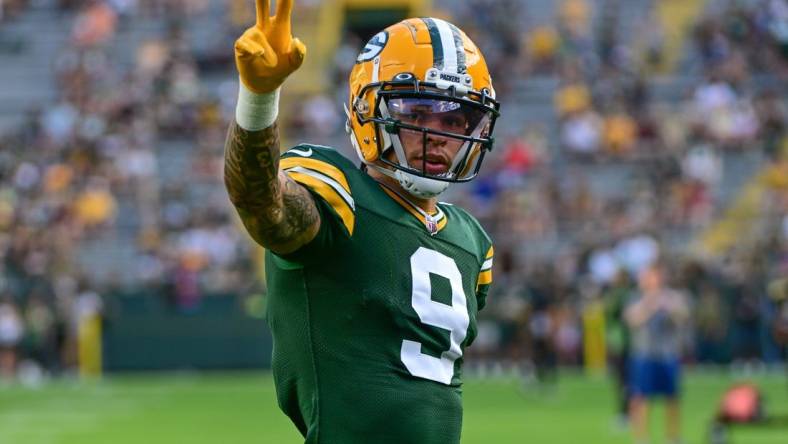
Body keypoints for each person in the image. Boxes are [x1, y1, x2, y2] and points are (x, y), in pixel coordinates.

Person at [223, 1, 500, 442]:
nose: (439, 134)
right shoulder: (341, 194)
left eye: (457, 118)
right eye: (416, 113)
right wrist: (258, 98)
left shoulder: (471, 241)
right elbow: (261, 203)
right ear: (368, 111)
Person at [625, 263, 690, 444]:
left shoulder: (672, 297)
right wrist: (650, 305)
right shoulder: (636, 298)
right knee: (640, 397)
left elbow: (683, 317)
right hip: (644, 353)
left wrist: (668, 307)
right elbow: (632, 320)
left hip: (667, 353)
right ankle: (641, 437)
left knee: (673, 397)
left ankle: (673, 436)